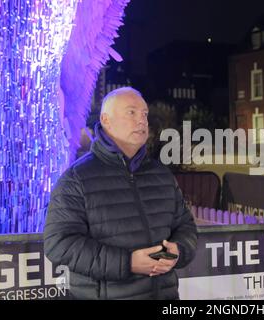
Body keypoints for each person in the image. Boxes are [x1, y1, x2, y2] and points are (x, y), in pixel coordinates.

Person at [44, 87, 197, 300]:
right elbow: (59, 243)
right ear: (106, 120)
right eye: (131, 112)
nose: (142, 120)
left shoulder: (161, 175)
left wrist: (179, 250)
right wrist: (128, 262)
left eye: (144, 114)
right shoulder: (76, 179)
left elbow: (186, 227)